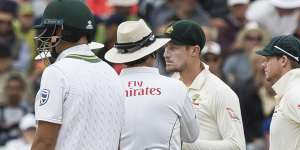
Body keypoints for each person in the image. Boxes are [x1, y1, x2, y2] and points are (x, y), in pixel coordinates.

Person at [31, 1, 125, 150]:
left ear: (60, 31)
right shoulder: (111, 73)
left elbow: (45, 141)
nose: (46, 36)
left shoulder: (56, 72)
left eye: (49, 30)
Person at [104, 19, 199, 150]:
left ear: (122, 57)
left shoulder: (107, 90)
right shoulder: (176, 88)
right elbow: (191, 136)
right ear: (153, 53)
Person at [163, 20, 246, 150]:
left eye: (173, 48)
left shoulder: (220, 91)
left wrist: (184, 145)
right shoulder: (167, 87)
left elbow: (237, 146)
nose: (166, 54)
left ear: (195, 51)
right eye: (165, 47)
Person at [256, 35, 300, 150]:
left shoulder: (294, 93)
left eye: (268, 59)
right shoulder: (290, 92)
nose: (263, 64)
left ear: (283, 60)